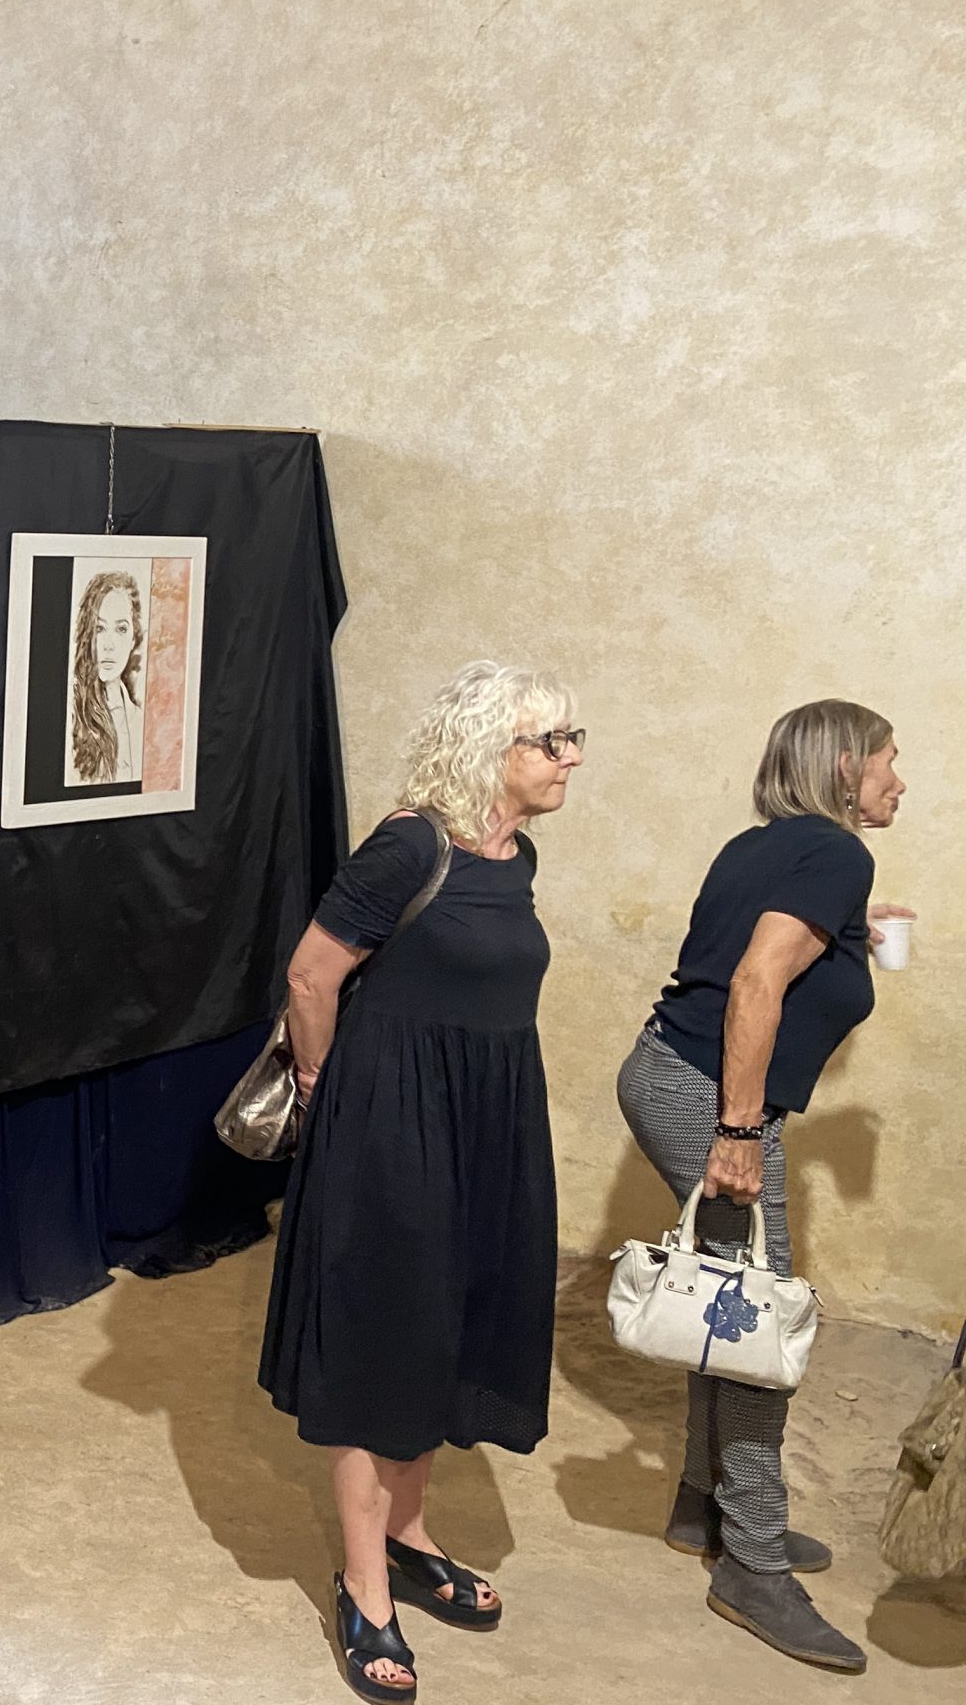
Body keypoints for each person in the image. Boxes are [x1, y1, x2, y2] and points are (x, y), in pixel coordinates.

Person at [259, 662, 582, 1701]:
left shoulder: (517, 855)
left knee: (446, 1326)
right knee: (380, 1340)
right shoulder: (409, 846)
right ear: (491, 747)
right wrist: (323, 1087)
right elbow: (311, 976)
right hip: (390, 1126)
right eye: (550, 741)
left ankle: (408, 1534)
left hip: (488, 1123)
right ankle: (364, 1584)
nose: (570, 759)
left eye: (572, 739)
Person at [614, 700, 905, 1674]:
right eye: (888, 762)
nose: (898, 781)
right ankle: (752, 1563)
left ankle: (702, 1506)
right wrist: (738, 1131)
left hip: (671, 1074)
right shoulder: (836, 854)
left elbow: (758, 952)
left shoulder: (766, 847)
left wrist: (858, 934)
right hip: (707, 1096)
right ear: (845, 766)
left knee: (728, 1300)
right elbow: (751, 983)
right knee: (758, 1333)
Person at [69, 566, 145, 784]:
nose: (109, 645)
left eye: (121, 629)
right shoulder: (72, 713)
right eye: (99, 629)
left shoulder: (139, 718)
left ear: (133, 639)